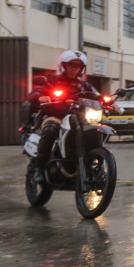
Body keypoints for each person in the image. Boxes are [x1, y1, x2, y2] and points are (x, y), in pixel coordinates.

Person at [26, 50, 99, 182]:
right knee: (51, 128)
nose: (74, 69)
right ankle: (39, 169)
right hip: (55, 116)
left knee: (95, 130)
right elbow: (35, 93)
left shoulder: (83, 85)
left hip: (78, 119)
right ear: (63, 66)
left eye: (78, 66)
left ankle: (94, 166)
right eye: (71, 65)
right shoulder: (51, 81)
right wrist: (40, 96)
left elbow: (97, 96)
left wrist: (110, 103)